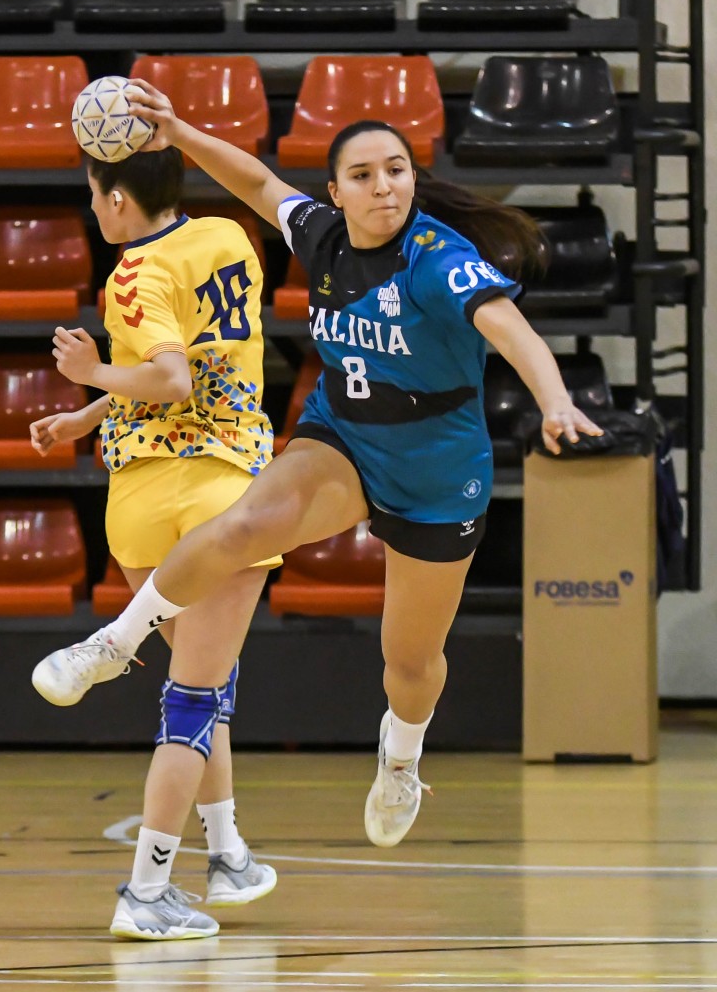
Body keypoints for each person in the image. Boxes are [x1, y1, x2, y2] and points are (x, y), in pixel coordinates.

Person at [33, 79, 603, 850]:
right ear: (336, 193)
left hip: (434, 469)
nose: (384, 186)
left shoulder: (438, 259)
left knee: (409, 664)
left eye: (396, 169)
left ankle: (400, 760)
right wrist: (182, 131)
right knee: (245, 524)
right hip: (344, 438)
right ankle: (114, 644)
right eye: (363, 175)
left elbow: (512, 330)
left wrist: (555, 401)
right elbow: (257, 182)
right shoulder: (324, 236)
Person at [31, 144, 278, 940]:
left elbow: (163, 379)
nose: (92, 206)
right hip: (217, 491)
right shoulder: (231, 238)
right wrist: (95, 394)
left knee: (203, 681)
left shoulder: (132, 275)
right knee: (197, 695)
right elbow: (186, 375)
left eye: (93, 192)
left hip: (141, 500)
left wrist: (90, 381)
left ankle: (228, 854)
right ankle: (146, 891)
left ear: (115, 199)